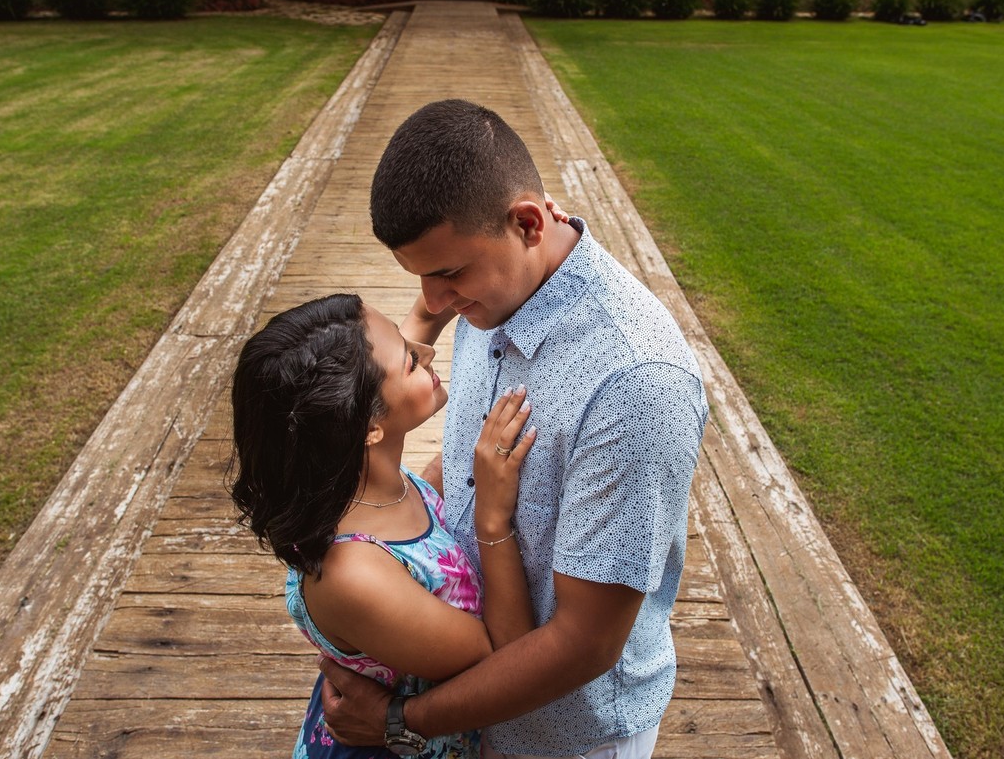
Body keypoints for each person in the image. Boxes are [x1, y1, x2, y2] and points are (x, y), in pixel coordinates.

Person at [318, 99, 709, 759]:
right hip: (472, 707)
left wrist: (401, 720)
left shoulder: (636, 382)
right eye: (420, 277)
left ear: (530, 222)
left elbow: (584, 643)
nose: (435, 302)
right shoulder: (497, 289)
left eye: (447, 273)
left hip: (564, 736)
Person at [229, 292, 541, 758]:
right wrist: (492, 517)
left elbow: (390, 356)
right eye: (411, 362)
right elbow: (504, 658)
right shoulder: (356, 575)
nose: (428, 354)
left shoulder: (348, 484)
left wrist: (430, 307)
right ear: (368, 426)